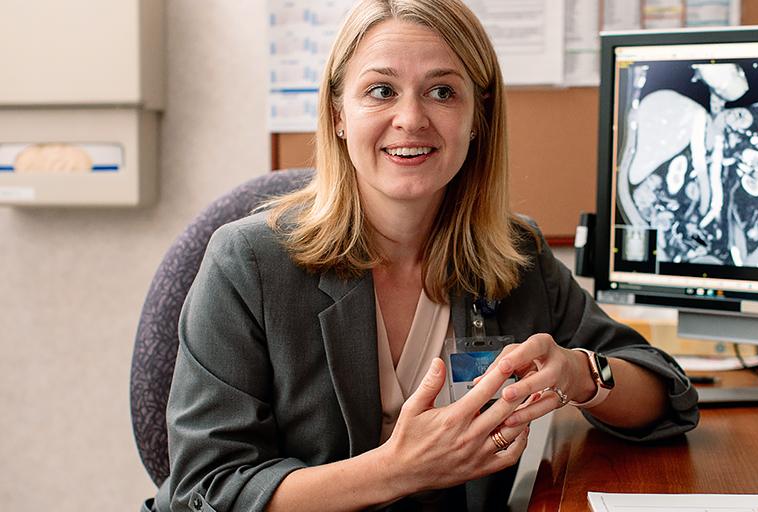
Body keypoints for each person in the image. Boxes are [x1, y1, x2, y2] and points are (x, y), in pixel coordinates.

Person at [143, 1, 699, 510]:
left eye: (442, 91)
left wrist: (582, 374)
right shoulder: (249, 263)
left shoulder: (514, 258)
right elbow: (206, 491)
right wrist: (399, 470)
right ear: (339, 114)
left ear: (477, 116)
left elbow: (665, 393)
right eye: (381, 91)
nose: (411, 118)